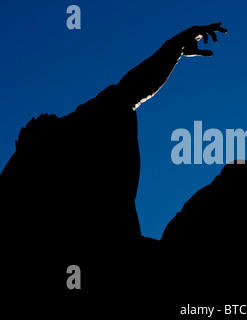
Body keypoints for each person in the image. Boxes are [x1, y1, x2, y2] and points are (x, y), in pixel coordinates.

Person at [0, 23, 227, 297]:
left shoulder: (36, 170)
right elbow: (126, 94)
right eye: (54, 122)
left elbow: (125, 95)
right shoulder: (47, 148)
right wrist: (174, 47)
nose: (62, 120)